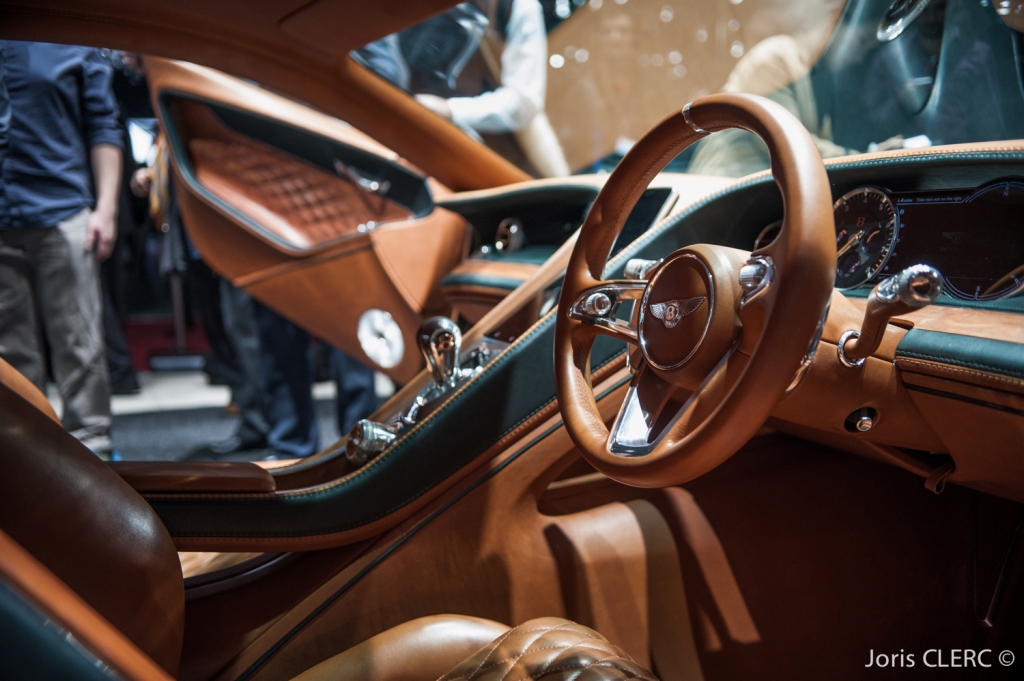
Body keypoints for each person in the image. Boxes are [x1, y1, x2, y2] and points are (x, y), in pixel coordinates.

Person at [0, 41, 123, 457]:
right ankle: (29, 462)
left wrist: (105, 209)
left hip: (64, 210)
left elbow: (103, 124)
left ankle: (94, 457)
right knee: (11, 357)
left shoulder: (67, 41)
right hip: (1, 221)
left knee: (80, 347)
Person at [408, 0, 569, 177]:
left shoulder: (518, 7)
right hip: (405, 120)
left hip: (471, 151)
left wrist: (450, 109)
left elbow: (523, 102)